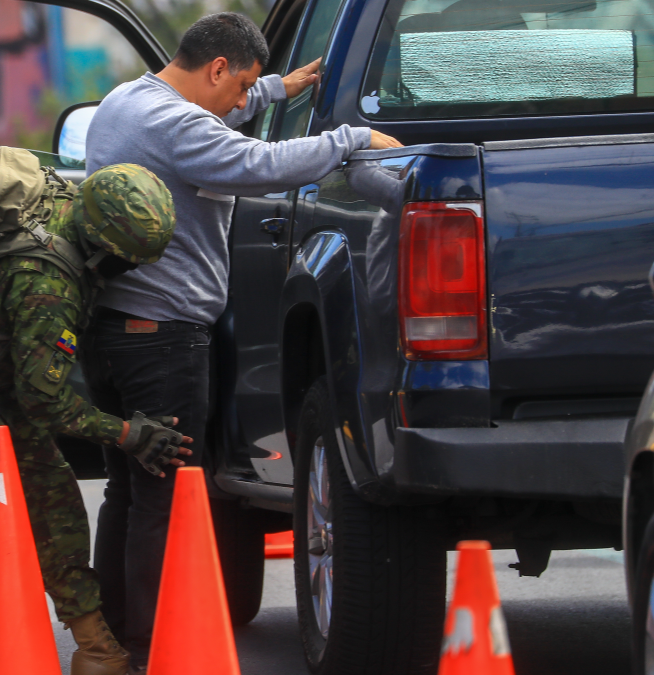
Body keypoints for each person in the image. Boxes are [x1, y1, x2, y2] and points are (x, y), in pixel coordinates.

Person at [81, 11, 402, 673]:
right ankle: (149, 642)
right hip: (163, 340)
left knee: (127, 489)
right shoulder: (181, 126)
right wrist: (350, 138)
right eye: (239, 86)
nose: (239, 103)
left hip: (113, 332)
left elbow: (222, 116)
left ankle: (112, 627)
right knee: (164, 495)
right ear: (217, 67)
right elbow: (257, 163)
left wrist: (277, 90)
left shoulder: (126, 102)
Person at [0, 159, 190, 675]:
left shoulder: (75, 211)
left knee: (57, 502)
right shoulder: (48, 280)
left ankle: (94, 645)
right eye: (124, 262)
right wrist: (127, 435)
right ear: (101, 245)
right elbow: (44, 402)